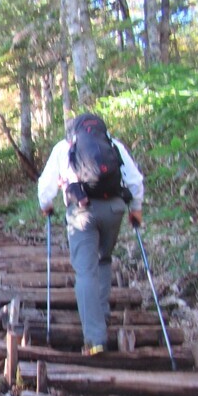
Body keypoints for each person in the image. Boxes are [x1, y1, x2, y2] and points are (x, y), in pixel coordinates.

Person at [37, 113, 144, 355]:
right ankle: (102, 314)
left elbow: (46, 186)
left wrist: (47, 206)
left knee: (85, 270)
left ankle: (95, 340)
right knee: (103, 259)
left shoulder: (65, 148)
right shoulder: (113, 145)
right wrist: (136, 210)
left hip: (82, 212)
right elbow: (135, 180)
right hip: (114, 209)